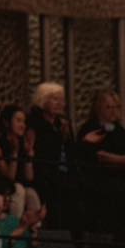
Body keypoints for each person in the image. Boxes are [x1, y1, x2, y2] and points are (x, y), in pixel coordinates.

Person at [77, 89, 125, 233]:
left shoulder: (119, 130)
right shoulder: (91, 128)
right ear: (98, 108)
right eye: (108, 107)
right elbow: (101, 156)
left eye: (116, 107)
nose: (113, 111)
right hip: (101, 180)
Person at [28, 82, 77, 229]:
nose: (60, 104)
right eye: (55, 99)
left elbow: (70, 152)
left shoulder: (62, 124)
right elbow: (43, 152)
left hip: (64, 173)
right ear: (43, 100)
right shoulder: (34, 122)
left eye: (62, 100)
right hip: (45, 173)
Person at [0, 104, 38, 216]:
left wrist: (29, 153)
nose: (22, 125)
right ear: (6, 122)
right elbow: (9, 177)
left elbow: (29, 177)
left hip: (17, 186)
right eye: (18, 121)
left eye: (24, 122)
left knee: (31, 193)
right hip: (0, 186)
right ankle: (11, 229)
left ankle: (33, 230)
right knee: (19, 190)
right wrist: (14, 152)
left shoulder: (22, 144)